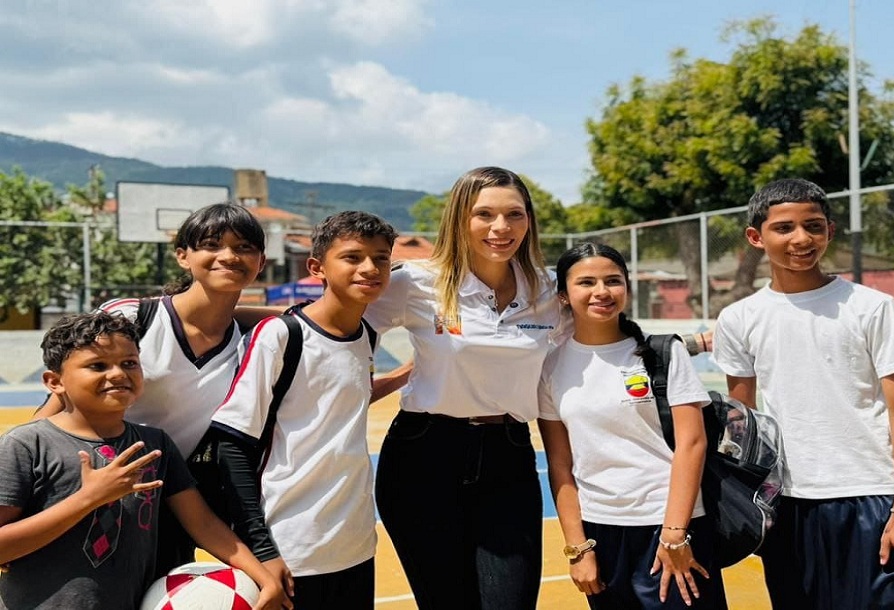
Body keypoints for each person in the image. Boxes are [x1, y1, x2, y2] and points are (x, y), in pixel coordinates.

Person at [711, 178, 894, 609]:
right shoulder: (739, 318)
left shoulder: (872, 306)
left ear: (830, 231)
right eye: (784, 228)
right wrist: (749, 509)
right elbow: (745, 421)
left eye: (813, 226)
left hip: (869, 498)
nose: (801, 238)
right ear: (756, 237)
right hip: (787, 506)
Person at [362, 166, 560, 609]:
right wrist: (396, 378)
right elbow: (334, 327)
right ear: (459, 219)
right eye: (484, 214)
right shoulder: (416, 282)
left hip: (508, 457)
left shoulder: (549, 290)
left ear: (529, 221)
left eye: (515, 214)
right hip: (423, 457)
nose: (500, 227)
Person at [35, 201, 267, 576]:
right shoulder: (133, 317)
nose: (229, 256)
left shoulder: (254, 342)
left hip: (170, 499)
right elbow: (56, 407)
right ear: (182, 256)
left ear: (260, 262)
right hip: (92, 487)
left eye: (244, 247)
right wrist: (31, 479)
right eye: (211, 244)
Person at [0, 312, 288, 610]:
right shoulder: (26, 445)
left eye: (129, 363)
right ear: (54, 382)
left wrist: (263, 577)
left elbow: (202, 524)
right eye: (97, 366)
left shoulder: (155, 444)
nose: (117, 374)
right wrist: (89, 498)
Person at [210, 211, 398, 609]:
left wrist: (409, 373)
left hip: (355, 544)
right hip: (291, 547)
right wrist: (262, 551)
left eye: (381, 258)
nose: (370, 268)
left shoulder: (367, 335)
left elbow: (343, 401)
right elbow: (231, 445)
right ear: (317, 268)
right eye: (352, 257)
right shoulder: (281, 335)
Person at [537, 243, 727, 610]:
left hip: (672, 527)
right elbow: (560, 464)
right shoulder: (550, 366)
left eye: (613, 281)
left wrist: (674, 535)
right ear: (563, 295)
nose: (602, 292)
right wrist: (578, 549)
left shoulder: (662, 353)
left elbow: (692, 443)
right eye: (586, 282)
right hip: (600, 533)